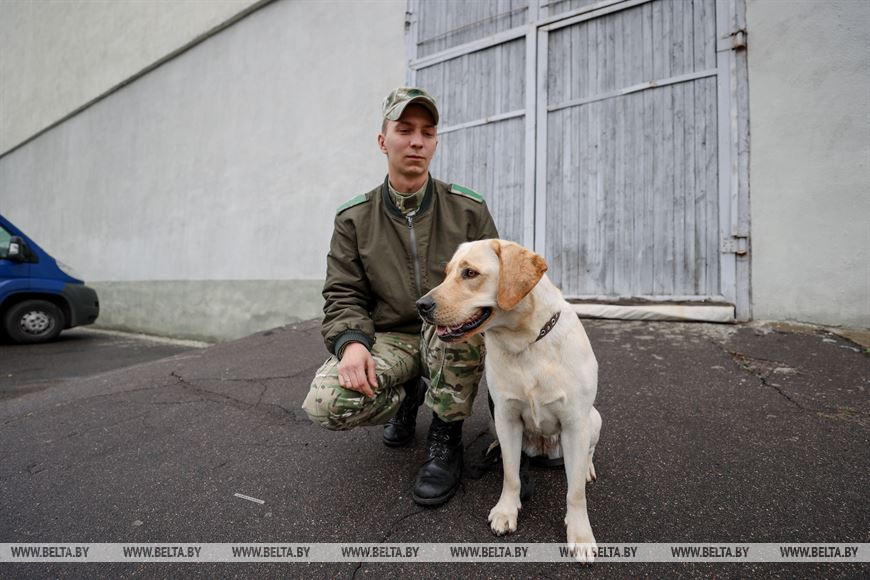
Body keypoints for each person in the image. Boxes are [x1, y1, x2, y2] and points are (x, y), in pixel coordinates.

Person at [302, 87, 499, 506]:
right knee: (325, 402)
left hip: (448, 332)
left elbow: (493, 288)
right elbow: (343, 292)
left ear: (435, 142)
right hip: (389, 338)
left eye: (427, 132)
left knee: (456, 334)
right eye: (405, 130)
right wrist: (352, 344)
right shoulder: (354, 218)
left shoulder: (467, 209)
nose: (416, 141)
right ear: (382, 141)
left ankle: (445, 440)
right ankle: (406, 398)